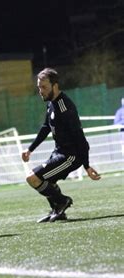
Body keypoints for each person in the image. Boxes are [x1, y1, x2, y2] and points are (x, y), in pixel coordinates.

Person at [21, 68, 101, 223]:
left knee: (33, 178)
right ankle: (58, 210)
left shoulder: (65, 107)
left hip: (70, 156)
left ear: (55, 86)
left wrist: (87, 166)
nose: (40, 91)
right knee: (44, 181)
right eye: (39, 87)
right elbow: (46, 127)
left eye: (44, 87)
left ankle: (63, 202)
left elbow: (80, 138)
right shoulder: (51, 104)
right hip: (59, 152)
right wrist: (30, 149)